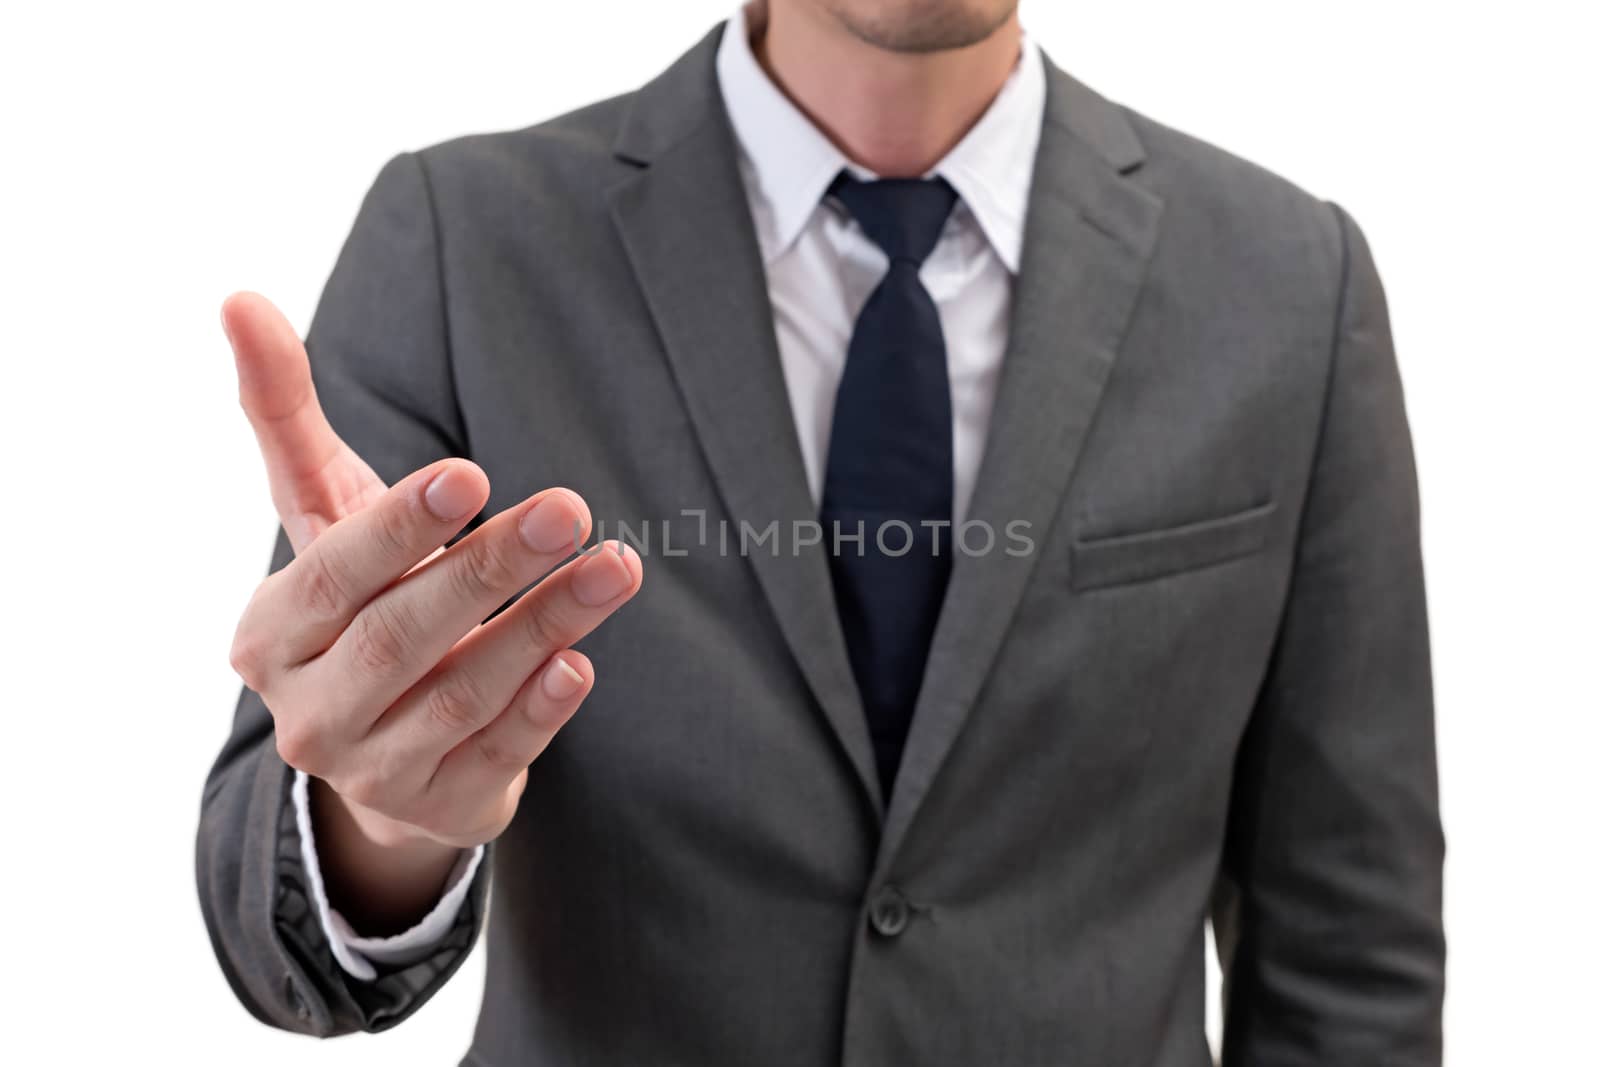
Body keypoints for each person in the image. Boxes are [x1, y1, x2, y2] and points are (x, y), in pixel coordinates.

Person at [197, 1, 1446, 1062]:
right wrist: (388, 817)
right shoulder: (462, 242)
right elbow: (272, 918)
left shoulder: (1289, 280)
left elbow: (1351, 949)